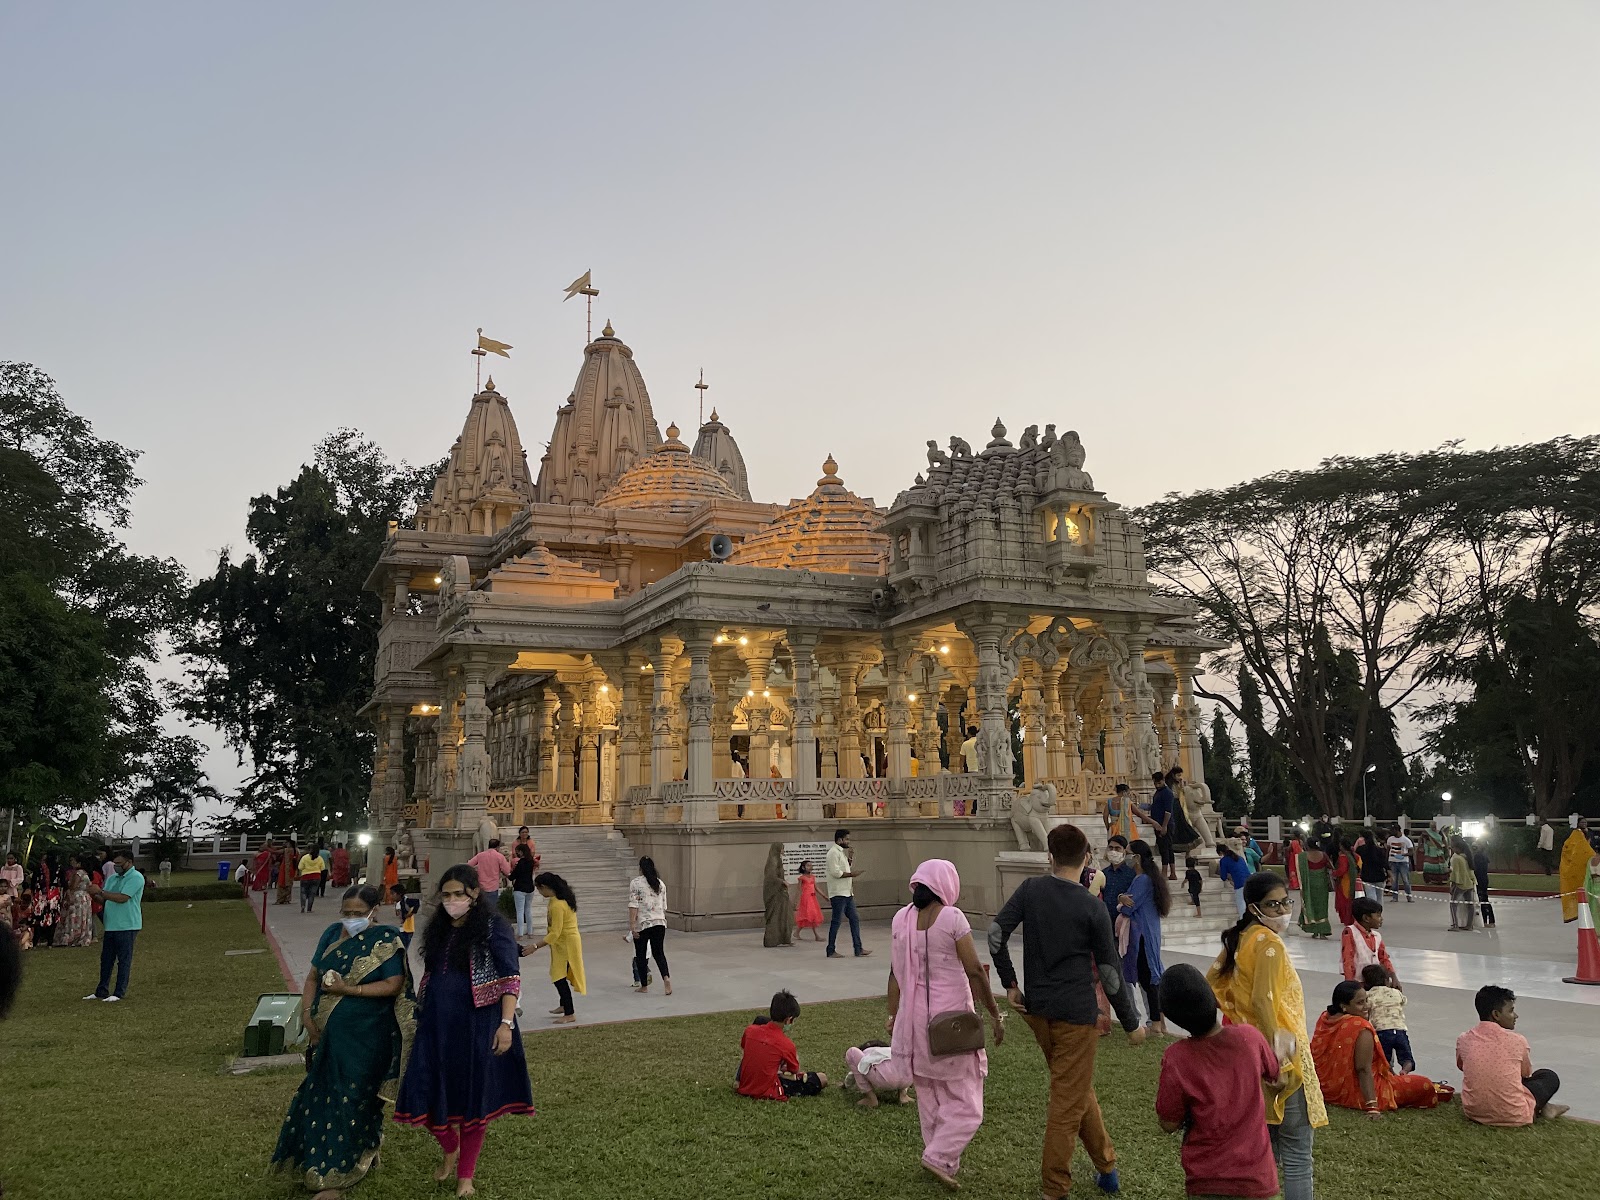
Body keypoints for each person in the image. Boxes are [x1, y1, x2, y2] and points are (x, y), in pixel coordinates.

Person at [990, 822, 1145, 1199]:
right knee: (1066, 1103)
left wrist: (1011, 983)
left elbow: (996, 934)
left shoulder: (1030, 889)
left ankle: (1106, 1166)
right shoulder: (1092, 907)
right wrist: (1131, 1021)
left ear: (1050, 857)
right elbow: (1109, 973)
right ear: (1088, 858)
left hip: (1038, 1009)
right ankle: (1054, 1188)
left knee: (1075, 1089)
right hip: (1077, 1015)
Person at [394, 866, 533, 1197]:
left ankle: (465, 1177)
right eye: (446, 894)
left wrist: (506, 1024)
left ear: (474, 895)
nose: (452, 900)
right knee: (422, 1091)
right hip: (436, 1024)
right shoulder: (439, 929)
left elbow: (510, 976)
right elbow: (429, 973)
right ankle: (449, 1146)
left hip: (477, 1024)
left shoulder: (491, 927)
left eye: (460, 894)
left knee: (474, 1100)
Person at [272, 885, 405, 1199]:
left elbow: (394, 984)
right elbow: (313, 978)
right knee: (322, 1095)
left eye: (358, 914)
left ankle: (338, 1174)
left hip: (368, 1037)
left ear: (375, 912)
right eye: (347, 913)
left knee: (354, 1096)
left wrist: (350, 991)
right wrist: (307, 1015)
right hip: (327, 1035)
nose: (351, 919)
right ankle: (335, 1158)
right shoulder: (332, 934)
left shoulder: (385, 940)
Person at [885, 859, 1003, 1190]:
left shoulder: (901, 919)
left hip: (913, 1024)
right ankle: (938, 1157)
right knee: (967, 1104)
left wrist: (893, 1015)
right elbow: (975, 971)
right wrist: (995, 1014)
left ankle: (944, 1159)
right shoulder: (952, 917)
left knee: (931, 1096)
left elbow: (894, 973)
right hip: (951, 1025)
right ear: (946, 886)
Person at [1208, 871, 1326, 1200]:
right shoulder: (1270, 944)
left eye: (1285, 902)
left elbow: (1211, 985)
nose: (1282, 911)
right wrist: (1283, 1060)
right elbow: (1263, 1000)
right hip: (1281, 1054)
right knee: (1298, 1156)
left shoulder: (1239, 938)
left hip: (1248, 1056)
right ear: (1254, 907)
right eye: (1272, 905)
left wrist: (1238, 1019)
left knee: (1266, 1151)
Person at [1156, 964, 1282, 1200]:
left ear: (1174, 1018)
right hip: (1258, 1178)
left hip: (1207, 1180)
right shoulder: (1249, 1037)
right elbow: (1276, 1075)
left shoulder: (1177, 1057)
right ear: (1214, 1000)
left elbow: (1168, 1123)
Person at [1313, 982, 1446, 1114]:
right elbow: (1363, 1069)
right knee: (1425, 1084)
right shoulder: (1360, 1026)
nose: (1366, 1006)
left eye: (1366, 1000)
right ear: (1344, 1006)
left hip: (1326, 1089)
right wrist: (1372, 1106)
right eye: (1360, 1003)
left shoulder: (1325, 1018)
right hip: (1359, 1093)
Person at [1456, 985, 1566, 1124]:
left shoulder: (1464, 1039)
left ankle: (1544, 1107)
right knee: (1548, 1076)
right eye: (1511, 1011)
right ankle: (1541, 1108)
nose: (1516, 1016)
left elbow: (1462, 1066)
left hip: (1474, 1113)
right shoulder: (1517, 1040)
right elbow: (1525, 1074)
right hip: (1515, 1115)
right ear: (1496, 1015)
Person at [1118, 839, 1171, 1037]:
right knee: (1150, 978)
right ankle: (1160, 1023)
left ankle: (1156, 1024)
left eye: (1128, 852)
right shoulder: (1148, 878)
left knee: (1148, 979)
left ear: (1137, 857)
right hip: (1147, 932)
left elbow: (1128, 906)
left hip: (1142, 934)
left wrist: (1121, 900)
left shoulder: (1142, 880)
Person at [736, 989, 827, 1100]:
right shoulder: (786, 1044)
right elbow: (794, 1070)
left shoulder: (750, 1030)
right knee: (821, 1078)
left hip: (744, 1085)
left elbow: (745, 1048)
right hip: (769, 1090)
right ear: (788, 1020)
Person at [521, 872, 585, 1024]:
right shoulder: (555, 900)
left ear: (545, 887)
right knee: (558, 973)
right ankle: (564, 1005)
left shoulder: (557, 904)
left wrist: (535, 946)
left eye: (539, 889)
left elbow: (555, 932)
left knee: (559, 977)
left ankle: (570, 1013)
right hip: (561, 943)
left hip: (567, 943)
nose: (539, 893)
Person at [82, 849, 143, 1002]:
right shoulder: (113, 878)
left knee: (123, 960)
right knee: (106, 959)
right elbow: (105, 900)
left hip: (128, 924)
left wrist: (100, 892)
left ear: (129, 862)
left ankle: (118, 992)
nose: (116, 866)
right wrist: (93, 894)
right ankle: (101, 990)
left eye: (119, 863)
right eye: (115, 863)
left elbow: (122, 898)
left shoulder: (136, 877)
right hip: (111, 924)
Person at [628, 856, 671, 995]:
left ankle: (644, 986)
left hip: (643, 923)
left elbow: (634, 905)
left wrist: (632, 925)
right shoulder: (660, 884)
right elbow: (664, 906)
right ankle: (666, 979)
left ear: (640, 868)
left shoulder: (636, 883)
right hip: (659, 922)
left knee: (640, 956)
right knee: (659, 953)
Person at [1360, 964, 1413, 1074]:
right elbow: (1403, 1001)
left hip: (1381, 1032)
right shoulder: (1396, 993)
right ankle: (1405, 1069)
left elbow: (1365, 1010)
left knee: (1384, 1060)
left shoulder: (1368, 995)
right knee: (1406, 1056)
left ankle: (1390, 1075)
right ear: (1386, 980)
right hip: (1400, 1031)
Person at [825, 828, 869, 958]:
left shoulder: (841, 853)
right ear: (840, 840)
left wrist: (850, 859)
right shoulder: (833, 853)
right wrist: (852, 874)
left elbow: (844, 868)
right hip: (838, 893)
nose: (848, 841)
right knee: (836, 921)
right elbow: (836, 873)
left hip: (847, 893)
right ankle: (830, 949)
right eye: (847, 839)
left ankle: (858, 948)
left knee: (854, 919)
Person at [1341, 897, 1398, 984]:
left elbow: (1384, 958)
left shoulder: (1377, 936)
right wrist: (1350, 984)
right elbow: (1348, 959)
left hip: (1376, 982)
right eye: (1378, 915)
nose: (1381, 919)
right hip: (1358, 982)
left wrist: (1393, 977)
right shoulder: (1349, 932)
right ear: (1366, 918)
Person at [844, 1039, 911, 1108]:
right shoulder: (890, 1051)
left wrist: (845, 1085)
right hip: (908, 1079)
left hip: (885, 1079)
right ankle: (903, 1095)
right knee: (902, 1064)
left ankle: (871, 1098)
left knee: (852, 1053)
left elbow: (854, 1074)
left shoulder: (866, 1053)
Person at [1137, 770, 1178, 881]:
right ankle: (1171, 872)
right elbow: (1154, 806)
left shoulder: (1167, 793)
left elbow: (1168, 811)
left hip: (1166, 824)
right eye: (1155, 783)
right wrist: (1141, 806)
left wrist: (1164, 826)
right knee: (1165, 848)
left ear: (1163, 781)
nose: (1157, 785)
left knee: (1166, 848)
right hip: (1157, 824)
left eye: (1158, 783)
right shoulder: (1158, 792)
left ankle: (1166, 872)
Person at [52, 856, 94, 948]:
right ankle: (80, 936)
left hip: (77, 896)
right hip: (84, 897)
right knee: (82, 917)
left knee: (73, 917)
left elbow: (73, 886)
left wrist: (68, 892)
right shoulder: (85, 873)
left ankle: (71, 936)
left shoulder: (78, 873)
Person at [1297, 839, 1333, 939]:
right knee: (1322, 907)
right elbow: (1331, 867)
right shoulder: (1323, 855)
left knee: (1310, 905)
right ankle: (1323, 931)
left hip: (1309, 885)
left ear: (1307, 845)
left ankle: (1314, 931)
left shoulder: (1303, 856)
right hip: (1322, 885)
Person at [1560, 819, 1595, 923]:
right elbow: (1571, 848)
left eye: (1585, 822)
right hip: (1579, 863)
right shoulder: (1575, 834)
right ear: (1578, 823)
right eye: (1582, 822)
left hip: (1589, 861)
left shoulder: (1590, 832)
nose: (1584, 824)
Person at [762, 843, 794, 948]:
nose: (783, 851)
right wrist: (782, 882)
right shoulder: (773, 861)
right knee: (775, 916)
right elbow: (770, 877)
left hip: (781, 893)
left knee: (785, 915)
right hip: (774, 893)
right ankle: (771, 940)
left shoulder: (778, 861)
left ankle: (784, 938)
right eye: (782, 849)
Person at [1100, 836, 1133, 924]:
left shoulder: (1131, 874)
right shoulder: (1103, 873)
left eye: (1117, 848)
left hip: (1124, 921)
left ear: (1124, 851)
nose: (1113, 851)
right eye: (1111, 848)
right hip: (1106, 920)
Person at [1448, 836, 1477, 932]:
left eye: (1453, 847)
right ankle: (1470, 925)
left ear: (1457, 848)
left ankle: (1455, 925)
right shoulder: (1467, 857)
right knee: (1470, 905)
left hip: (1460, 883)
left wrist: (1452, 885)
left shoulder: (1456, 858)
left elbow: (1455, 873)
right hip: (1469, 883)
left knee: (1453, 904)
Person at [508, 844, 538, 939]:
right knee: (528, 910)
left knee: (520, 911)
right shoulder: (531, 862)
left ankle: (520, 934)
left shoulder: (520, 863)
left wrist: (508, 875)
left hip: (520, 888)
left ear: (521, 851)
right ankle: (530, 932)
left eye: (518, 851)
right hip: (530, 887)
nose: (517, 853)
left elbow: (513, 876)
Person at [1329, 835, 1356, 928]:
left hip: (1344, 882)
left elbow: (1342, 870)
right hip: (1351, 881)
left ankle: (1347, 919)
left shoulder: (1343, 857)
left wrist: (1334, 873)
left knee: (1344, 902)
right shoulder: (1353, 855)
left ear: (1341, 846)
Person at [1218, 842, 1250, 917]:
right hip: (1249, 881)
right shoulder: (1240, 858)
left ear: (1220, 852)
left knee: (1241, 904)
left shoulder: (1224, 860)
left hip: (1239, 883)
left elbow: (1223, 876)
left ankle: (1243, 922)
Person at [794, 859, 823, 941]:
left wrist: (824, 896)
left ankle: (797, 932)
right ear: (803, 867)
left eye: (811, 865)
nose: (810, 867)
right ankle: (816, 936)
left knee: (810, 916)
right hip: (805, 899)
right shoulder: (802, 878)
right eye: (808, 865)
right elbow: (799, 890)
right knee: (810, 916)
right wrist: (797, 902)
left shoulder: (813, 877)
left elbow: (816, 888)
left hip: (812, 898)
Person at [1355, 832, 1387, 902]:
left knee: (1371, 897)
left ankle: (1372, 911)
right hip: (1380, 876)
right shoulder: (1379, 850)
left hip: (1367, 876)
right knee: (1379, 898)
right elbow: (1384, 863)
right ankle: (1379, 911)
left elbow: (1356, 860)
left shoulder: (1361, 850)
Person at [1472, 839, 1496, 929]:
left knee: (1483, 900)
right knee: (1483, 900)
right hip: (1483, 879)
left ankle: (1489, 921)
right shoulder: (1482, 855)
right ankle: (1487, 920)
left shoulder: (1479, 856)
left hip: (1480, 880)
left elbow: (1476, 869)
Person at [298, 845, 327, 913]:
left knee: (303, 892)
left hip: (305, 877)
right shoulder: (320, 858)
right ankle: (309, 909)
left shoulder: (305, 857)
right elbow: (322, 868)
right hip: (316, 877)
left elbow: (300, 867)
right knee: (312, 893)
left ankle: (303, 906)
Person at [278, 842, 298, 906]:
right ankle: (287, 899)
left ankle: (280, 899)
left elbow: (276, 852)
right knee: (289, 884)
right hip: (291, 869)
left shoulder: (287, 850)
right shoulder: (296, 851)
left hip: (285, 869)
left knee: (281, 883)